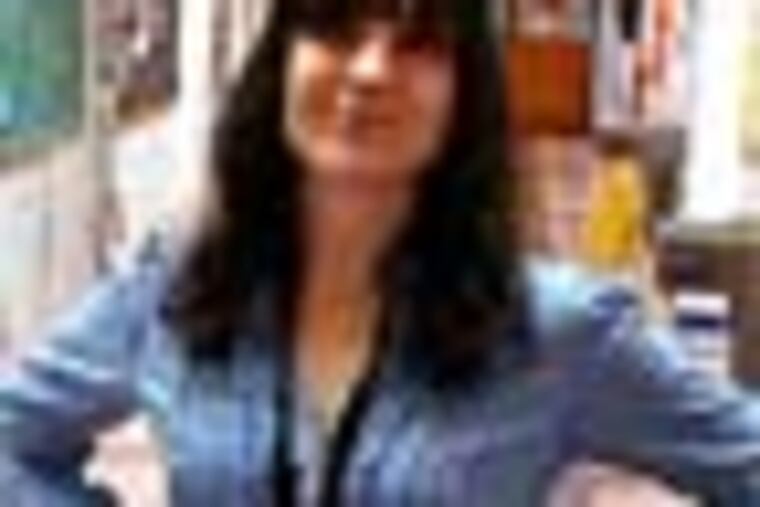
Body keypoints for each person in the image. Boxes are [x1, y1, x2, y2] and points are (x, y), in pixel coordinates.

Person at [2, 0, 760, 505]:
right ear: (282, 66)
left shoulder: (557, 331)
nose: (370, 71)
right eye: (335, 29)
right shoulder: (177, 291)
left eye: (418, 44)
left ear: (464, 96)